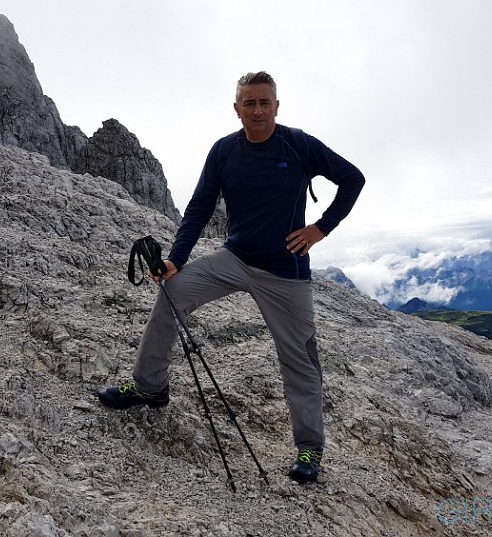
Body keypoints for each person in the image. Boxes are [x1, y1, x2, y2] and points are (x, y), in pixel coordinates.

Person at [98, 71, 365, 483]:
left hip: (286, 272)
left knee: (299, 356)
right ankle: (150, 387)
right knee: (172, 293)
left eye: (264, 103)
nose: (257, 110)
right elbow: (200, 207)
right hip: (235, 259)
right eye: (249, 103)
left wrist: (320, 228)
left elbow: (352, 179)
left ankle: (310, 447)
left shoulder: (298, 144)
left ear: (277, 107)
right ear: (237, 109)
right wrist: (176, 259)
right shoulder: (225, 151)